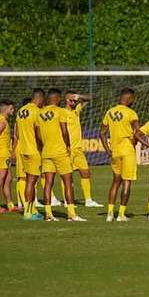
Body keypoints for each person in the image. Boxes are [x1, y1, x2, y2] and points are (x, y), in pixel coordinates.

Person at [37, 88, 85, 222]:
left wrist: (43, 146)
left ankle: (48, 214)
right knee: (68, 182)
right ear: (57, 98)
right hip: (60, 151)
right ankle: (72, 214)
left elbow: (38, 134)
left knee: (48, 183)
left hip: (47, 152)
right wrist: (68, 146)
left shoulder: (40, 113)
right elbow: (64, 131)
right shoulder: (60, 111)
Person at [100, 88, 140, 222]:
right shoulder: (131, 113)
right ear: (129, 99)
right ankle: (121, 214)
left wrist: (107, 150)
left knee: (116, 182)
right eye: (132, 99)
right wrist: (134, 142)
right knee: (127, 182)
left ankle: (109, 214)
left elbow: (102, 133)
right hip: (127, 151)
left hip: (115, 151)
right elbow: (137, 132)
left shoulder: (110, 112)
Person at [64, 92, 103, 207]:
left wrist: (79, 96)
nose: (74, 101)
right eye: (72, 99)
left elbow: (90, 98)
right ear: (66, 99)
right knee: (67, 176)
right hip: (68, 149)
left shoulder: (76, 110)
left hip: (78, 150)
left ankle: (88, 200)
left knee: (85, 172)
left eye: (75, 100)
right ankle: (67, 201)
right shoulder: (62, 113)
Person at [14, 88, 45, 221]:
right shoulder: (36, 112)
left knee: (28, 181)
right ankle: (28, 212)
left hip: (23, 149)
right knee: (31, 182)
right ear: (39, 98)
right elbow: (38, 133)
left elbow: (17, 132)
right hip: (33, 150)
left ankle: (32, 209)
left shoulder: (21, 111)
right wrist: (43, 146)